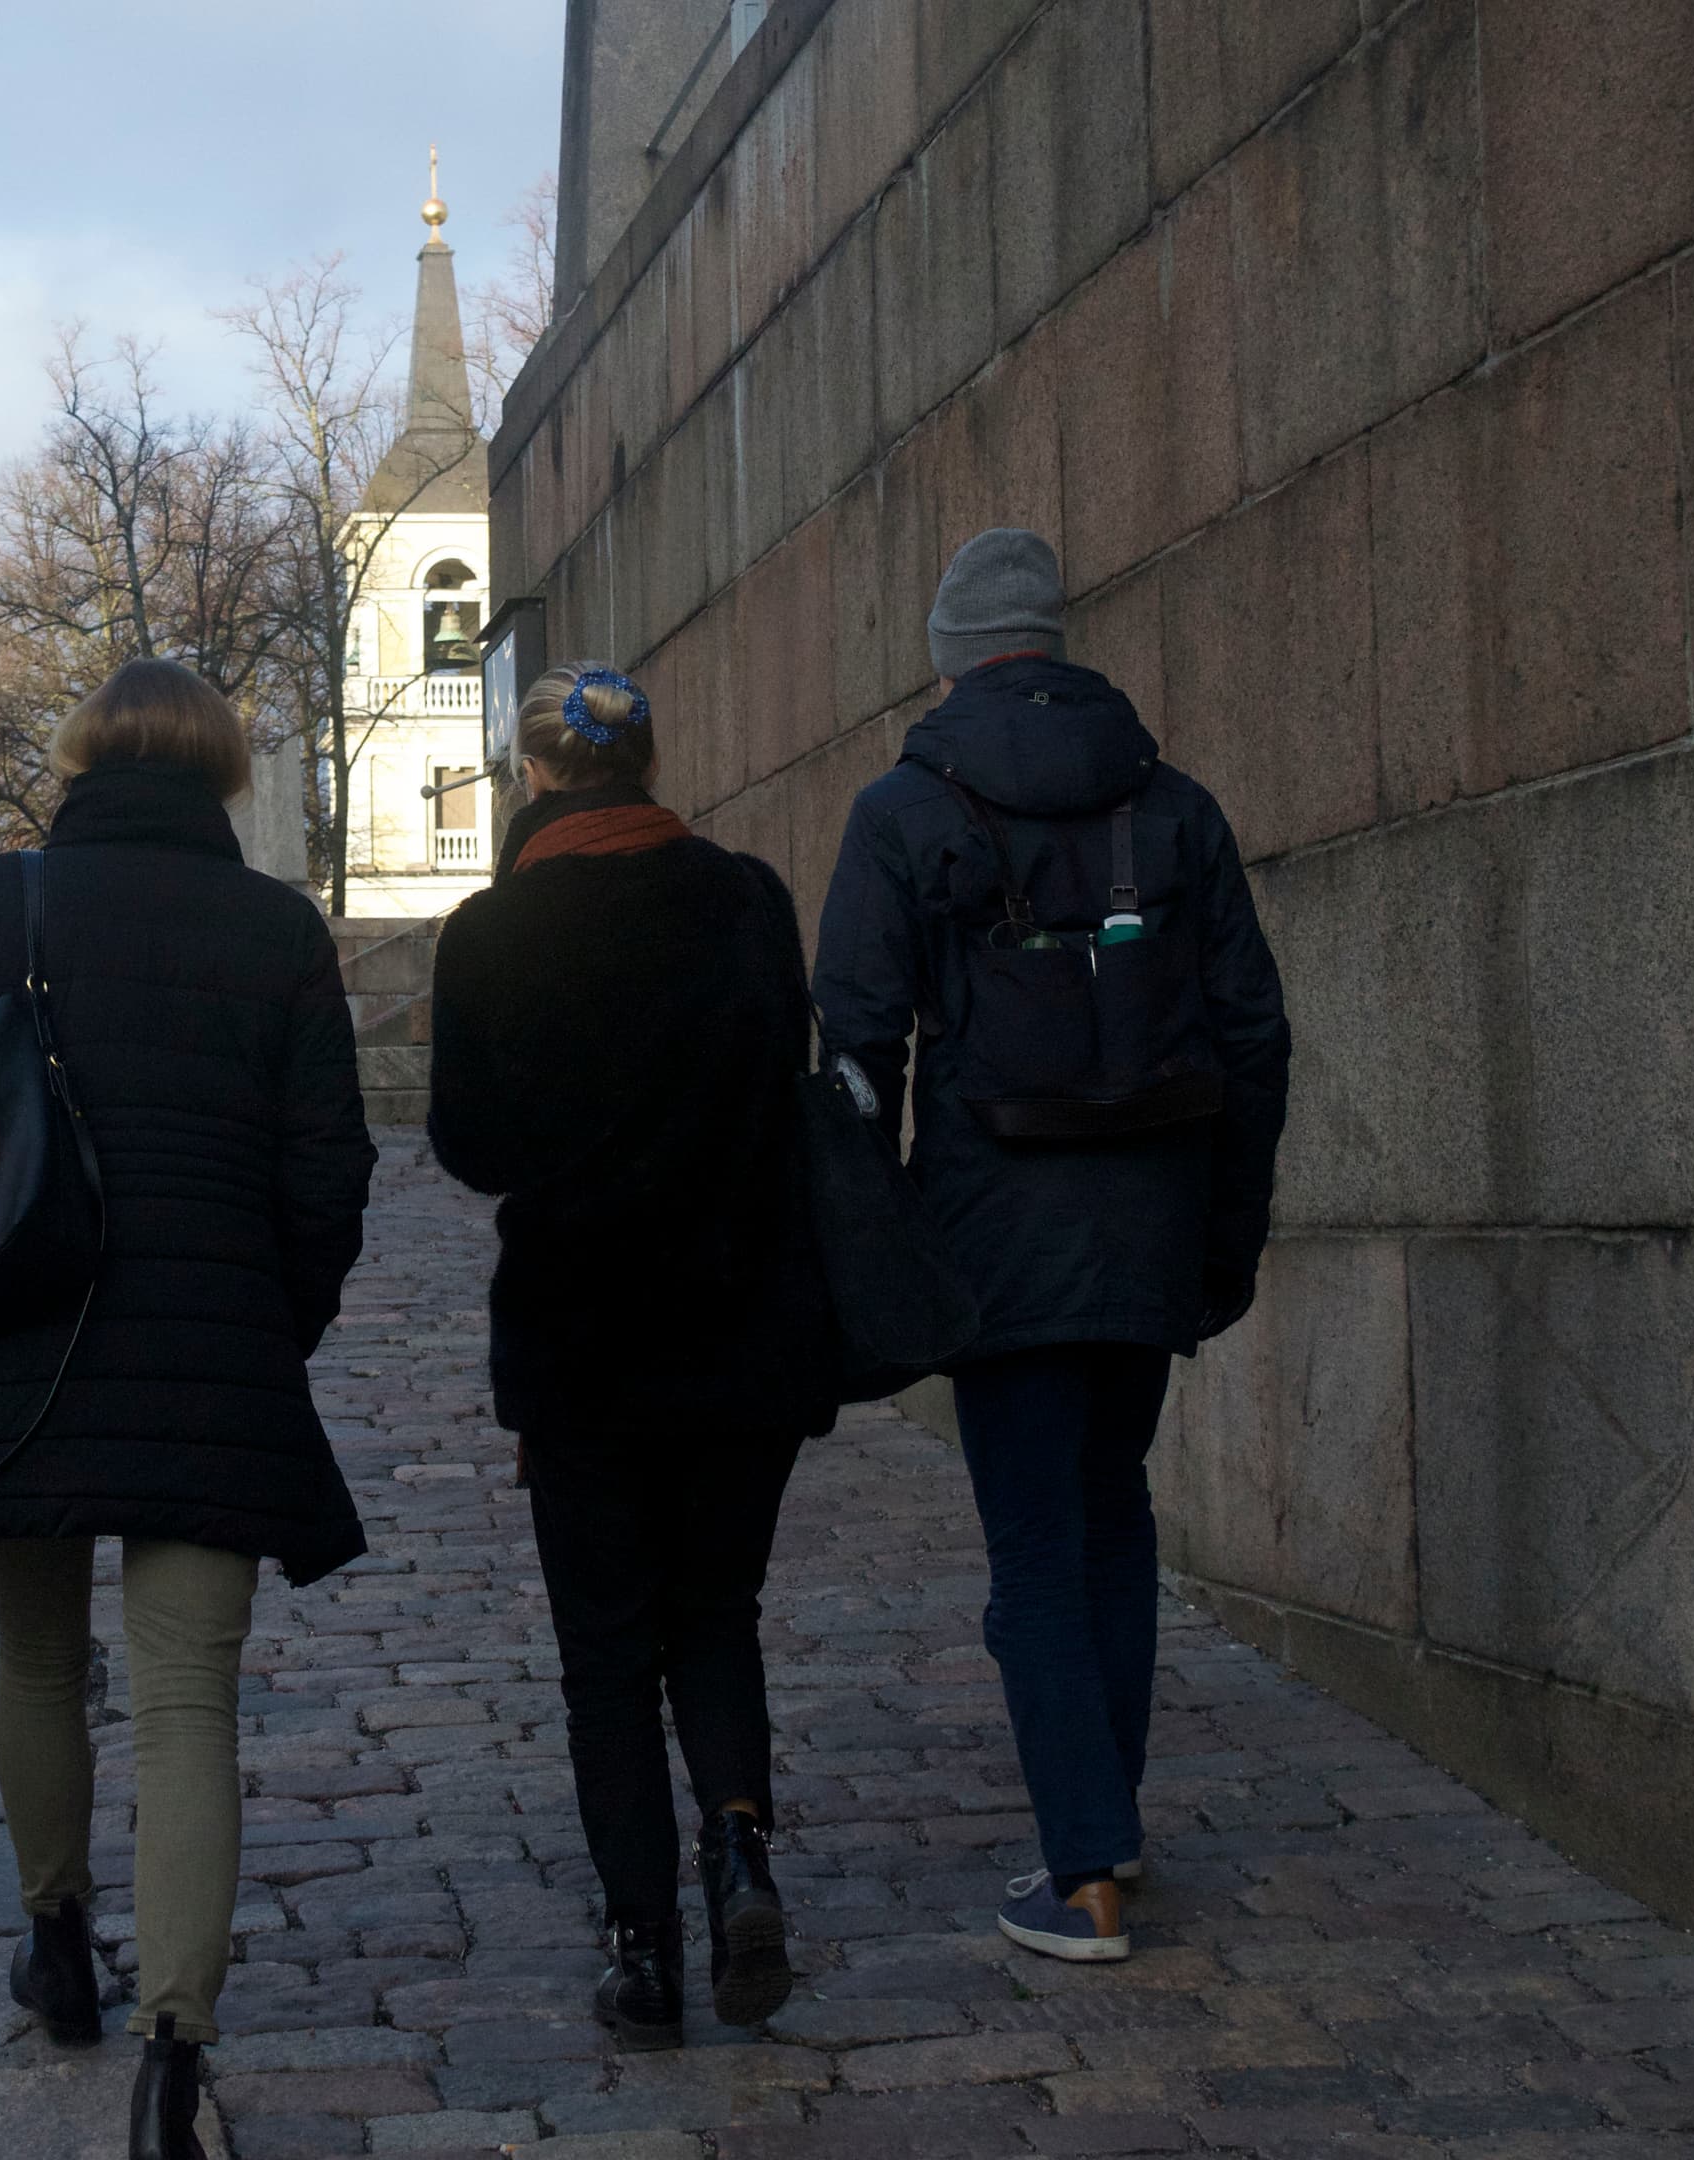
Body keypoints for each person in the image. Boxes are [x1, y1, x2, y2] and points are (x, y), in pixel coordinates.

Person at [0, 659, 374, 2160]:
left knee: (36, 1656)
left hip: (14, 1345)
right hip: (212, 1360)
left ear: (81, 760)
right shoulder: (278, 931)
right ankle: (175, 2059)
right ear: (222, 774)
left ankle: (60, 1942)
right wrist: (277, 1323)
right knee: (187, 1697)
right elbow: (327, 1171)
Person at [812, 529, 1290, 1965]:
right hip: (1147, 1223)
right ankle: (1112, 1822)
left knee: (1032, 1547)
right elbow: (1255, 1036)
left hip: (993, 1229)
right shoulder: (1177, 809)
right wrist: (1225, 1230)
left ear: (951, 660)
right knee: (1111, 1517)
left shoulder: (904, 810)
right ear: (1059, 649)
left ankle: (1083, 1863)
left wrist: (878, 1248)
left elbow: (855, 1046)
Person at [426, 666, 837, 2046]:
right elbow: (792, 1082)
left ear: (532, 778)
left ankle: (643, 1950)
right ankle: (738, 1853)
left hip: (586, 1339)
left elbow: (471, 1145)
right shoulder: (748, 900)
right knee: (716, 1613)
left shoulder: (491, 932)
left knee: (606, 1653)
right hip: (744, 1327)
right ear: (650, 763)